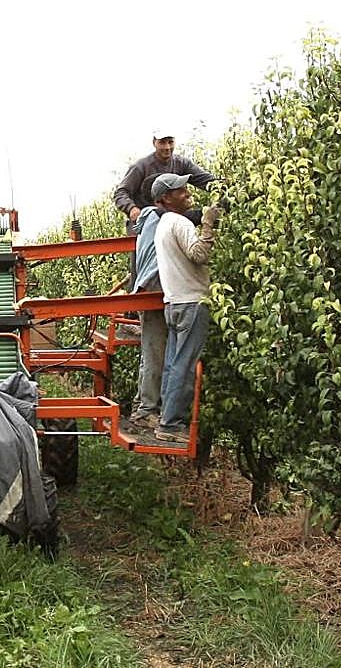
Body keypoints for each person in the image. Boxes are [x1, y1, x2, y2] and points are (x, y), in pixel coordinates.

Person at [149, 173, 222, 446]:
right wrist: (208, 225)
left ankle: (165, 419)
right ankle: (171, 425)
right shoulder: (178, 222)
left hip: (174, 302)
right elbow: (199, 255)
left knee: (172, 363)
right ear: (165, 199)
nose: (186, 191)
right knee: (184, 365)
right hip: (192, 302)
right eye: (179, 189)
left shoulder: (164, 224)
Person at [113, 131, 215, 285]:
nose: (167, 147)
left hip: (170, 217)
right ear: (154, 142)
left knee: (180, 256)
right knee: (143, 265)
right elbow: (121, 192)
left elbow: (207, 181)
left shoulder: (181, 163)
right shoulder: (141, 167)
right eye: (162, 142)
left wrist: (230, 190)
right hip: (146, 222)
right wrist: (131, 208)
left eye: (170, 142)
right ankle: (137, 298)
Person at [123, 202, 165, 432]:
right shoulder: (161, 219)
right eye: (182, 192)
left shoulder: (146, 221)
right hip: (152, 291)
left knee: (150, 352)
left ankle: (141, 405)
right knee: (154, 354)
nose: (188, 196)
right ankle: (146, 410)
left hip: (146, 290)